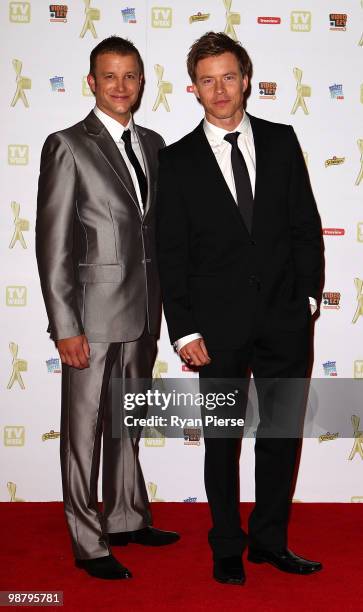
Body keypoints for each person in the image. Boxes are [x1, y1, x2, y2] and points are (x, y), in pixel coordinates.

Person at [156, 32, 323, 585]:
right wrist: (182, 330)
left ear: (246, 79)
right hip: (216, 328)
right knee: (222, 441)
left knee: (280, 436)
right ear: (193, 89)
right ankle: (227, 543)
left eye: (229, 76)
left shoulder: (281, 140)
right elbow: (170, 252)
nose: (220, 89)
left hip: (284, 320)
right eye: (208, 80)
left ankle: (269, 540)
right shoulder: (175, 160)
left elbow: (304, 226)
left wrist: (306, 297)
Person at [36, 36, 179, 581]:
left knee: (127, 421)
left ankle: (125, 516)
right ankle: (87, 538)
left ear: (143, 82)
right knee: (82, 434)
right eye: (110, 76)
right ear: (91, 82)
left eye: (132, 76)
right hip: (90, 320)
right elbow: (53, 245)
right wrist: (64, 326)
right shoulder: (68, 145)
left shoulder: (157, 144)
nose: (122, 87)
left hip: (143, 313)